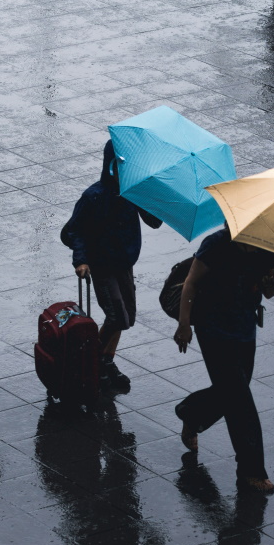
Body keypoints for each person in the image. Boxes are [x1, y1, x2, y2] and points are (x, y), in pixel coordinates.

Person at [173, 224, 274, 493]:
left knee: (233, 391)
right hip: (213, 330)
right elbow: (191, 283)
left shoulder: (265, 246)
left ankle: (191, 413)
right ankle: (251, 470)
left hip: (244, 329)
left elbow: (268, 291)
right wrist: (184, 324)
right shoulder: (215, 244)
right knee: (240, 401)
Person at [61, 141, 162, 388]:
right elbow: (74, 231)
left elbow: (154, 222)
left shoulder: (133, 193)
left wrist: (150, 195)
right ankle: (91, 360)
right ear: (110, 166)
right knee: (117, 317)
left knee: (126, 317)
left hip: (124, 264)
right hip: (102, 266)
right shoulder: (94, 196)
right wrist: (81, 260)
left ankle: (105, 360)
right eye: (120, 166)